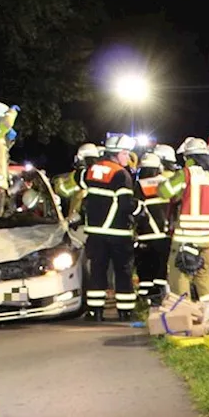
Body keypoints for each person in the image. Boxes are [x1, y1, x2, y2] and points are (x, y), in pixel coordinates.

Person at [160, 137, 209, 313]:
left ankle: (183, 312)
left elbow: (165, 191)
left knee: (179, 274)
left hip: (187, 236)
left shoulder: (186, 173)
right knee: (203, 273)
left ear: (189, 157)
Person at [82, 134, 138, 321]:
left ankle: (95, 312)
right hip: (118, 232)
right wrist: (140, 210)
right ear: (119, 153)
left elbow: (78, 181)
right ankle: (125, 311)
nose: (127, 157)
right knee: (123, 272)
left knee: (97, 271)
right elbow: (126, 204)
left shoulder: (91, 170)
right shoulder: (121, 174)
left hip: (95, 233)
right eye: (126, 153)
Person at [134, 145, 177, 303]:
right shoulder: (166, 182)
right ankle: (160, 295)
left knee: (145, 266)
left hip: (145, 233)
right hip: (164, 233)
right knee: (161, 266)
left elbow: (134, 207)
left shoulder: (139, 185)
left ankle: (146, 295)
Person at [53, 143, 99, 224]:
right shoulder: (99, 173)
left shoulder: (79, 175)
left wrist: (57, 181)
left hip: (79, 223)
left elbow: (63, 191)